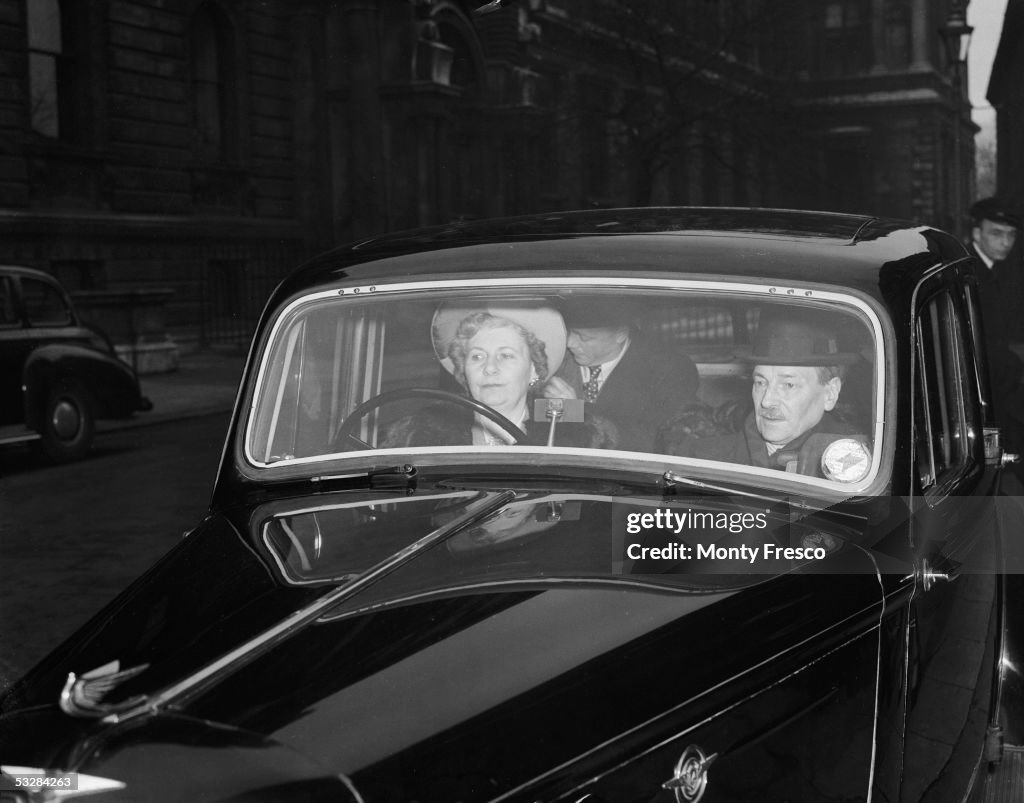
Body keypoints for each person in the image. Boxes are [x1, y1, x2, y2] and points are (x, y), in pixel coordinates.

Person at [662, 309, 869, 480]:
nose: (767, 400)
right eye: (760, 382)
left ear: (830, 393)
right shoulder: (699, 459)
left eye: (788, 384)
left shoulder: (860, 465)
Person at [382, 301, 617, 449]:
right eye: (477, 356)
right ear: (463, 370)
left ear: (534, 369)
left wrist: (574, 412)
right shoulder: (419, 435)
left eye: (505, 355)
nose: (490, 368)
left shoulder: (581, 437)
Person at [541, 298, 699, 452]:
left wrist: (578, 413)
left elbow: (659, 441)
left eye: (584, 338)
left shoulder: (671, 370)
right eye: (569, 332)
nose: (569, 343)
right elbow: (528, 417)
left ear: (621, 334)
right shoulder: (553, 355)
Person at [967, 198, 1024, 483]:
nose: (1005, 242)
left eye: (1010, 235)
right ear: (977, 233)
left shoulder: (998, 268)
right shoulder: (971, 270)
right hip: (983, 379)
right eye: (996, 233)